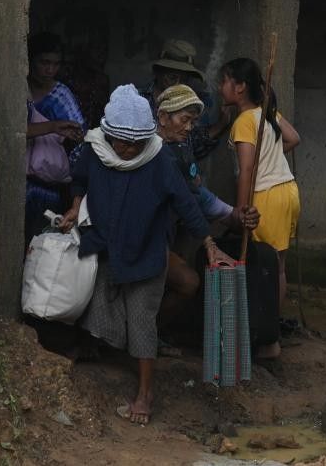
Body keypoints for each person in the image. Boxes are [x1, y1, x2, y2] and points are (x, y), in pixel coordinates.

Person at [58, 84, 225, 425]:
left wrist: (209, 243)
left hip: (147, 251)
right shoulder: (94, 151)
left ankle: (145, 393)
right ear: (108, 135)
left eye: (137, 144)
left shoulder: (159, 158)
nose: (130, 149)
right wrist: (75, 207)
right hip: (105, 246)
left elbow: (187, 204)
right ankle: (93, 348)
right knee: (97, 303)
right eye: (123, 143)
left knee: (142, 320)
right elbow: (78, 180)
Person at [154, 84, 259, 334]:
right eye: (185, 120)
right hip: (142, 241)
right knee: (184, 282)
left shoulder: (180, 150)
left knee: (183, 284)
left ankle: (149, 336)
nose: (189, 127)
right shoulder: (146, 150)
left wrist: (234, 215)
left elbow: (198, 197)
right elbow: (190, 201)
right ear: (163, 117)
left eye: (192, 121)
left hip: (162, 240)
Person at [220, 58, 301, 360]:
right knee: (276, 267)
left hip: (266, 196)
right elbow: (294, 138)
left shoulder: (244, 120)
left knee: (266, 269)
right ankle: (270, 335)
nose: (220, 87)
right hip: (288, 191)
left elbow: (246, 170)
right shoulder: (267, 114)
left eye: (224, 81)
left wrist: (241, 211)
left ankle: (268, 340)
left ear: (239, 88)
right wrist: (272, 159)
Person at [25, 32, 85, 243]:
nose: (50, 70)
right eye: (44, 62)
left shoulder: (61, 96)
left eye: (55, 64)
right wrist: (51, 127)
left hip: (48, 186)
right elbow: (12, 129)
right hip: (19, 181)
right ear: (29, 60)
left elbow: (81, 142)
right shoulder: (19, 88)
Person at [141, 39, 234, 160]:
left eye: (184, 80)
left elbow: (192, 143)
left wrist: (220, 125)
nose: (178, 84)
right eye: (172, 77)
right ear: (157, 71)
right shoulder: (138, 102)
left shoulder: (188, 104)